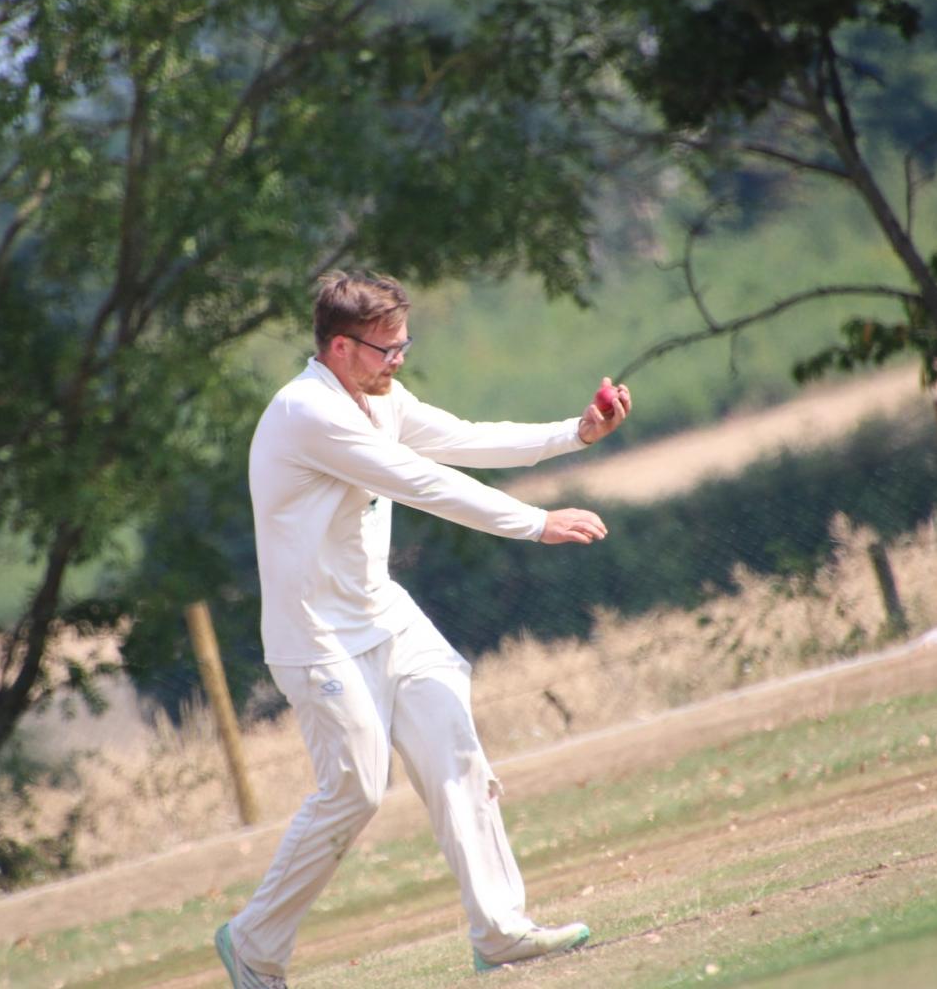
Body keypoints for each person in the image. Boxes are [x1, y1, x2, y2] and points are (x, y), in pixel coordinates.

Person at [214, 271, 630, 988]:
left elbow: (462, 440)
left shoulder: (378, 395)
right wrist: (533, 523)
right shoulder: (307, 413)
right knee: (356, 790)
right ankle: (252, 944)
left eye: (405, 344)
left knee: (455, 753)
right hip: (317, 638)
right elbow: (421, 481)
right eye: (386, 349)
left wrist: (575, 433)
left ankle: (500, 933)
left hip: (386, 617)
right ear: (340, 348)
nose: (398, 360)